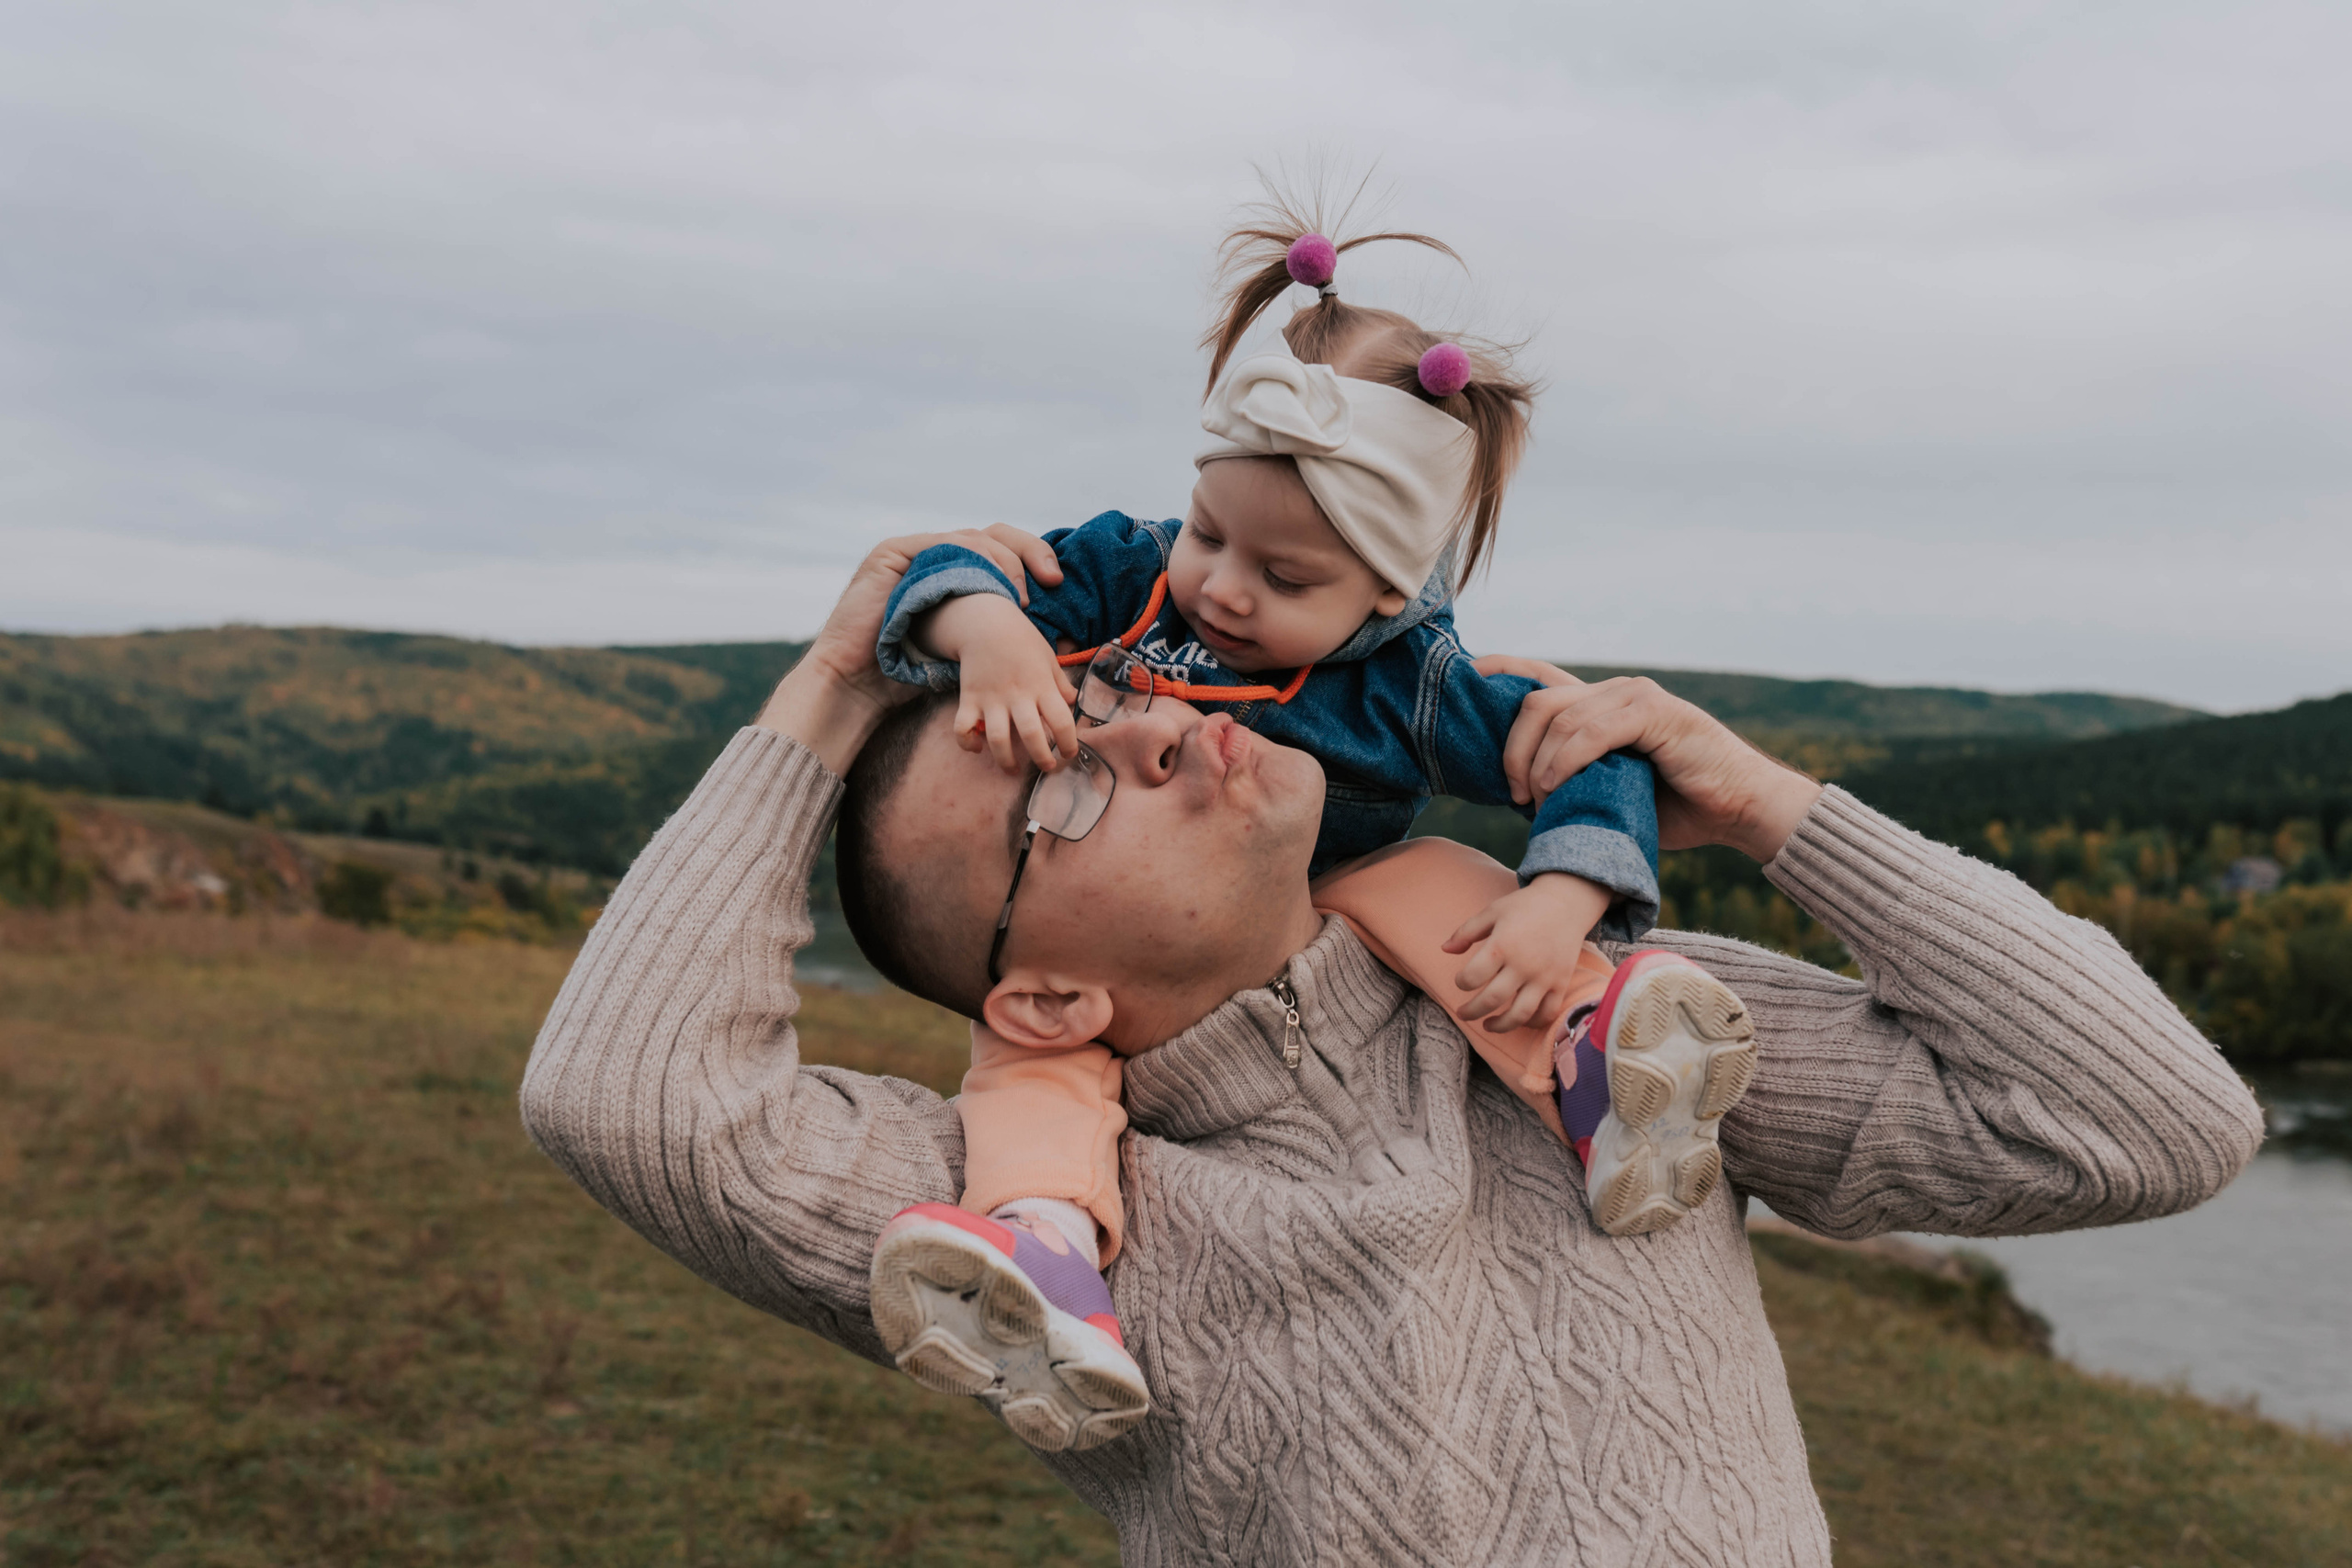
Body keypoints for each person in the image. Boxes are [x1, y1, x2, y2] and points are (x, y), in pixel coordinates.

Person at [521, 527, 2264, 1566]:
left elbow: (2149, 1122)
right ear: (1039, 1004)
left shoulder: (1607, 1024)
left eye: (1122, 699)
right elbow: (628, 1096)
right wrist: (834, 686)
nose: (1159, 735)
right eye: (1058, 780)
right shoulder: (1040, 1241)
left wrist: (1774, 808)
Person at [865, 215, 1760, 1436]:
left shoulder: (1416, 681)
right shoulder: (1133, 571)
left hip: (1323, 911)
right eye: (1211, 533)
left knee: (1440, 879)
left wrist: (1565, 898)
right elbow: (938, 576)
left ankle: (1597, 1065)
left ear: (1388, 592)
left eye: (1286, 582)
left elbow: (1590, 750)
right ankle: (1047, 1253)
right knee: (1029, 1053)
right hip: (1144, 946)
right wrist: (993, 633)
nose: (1225, 587)